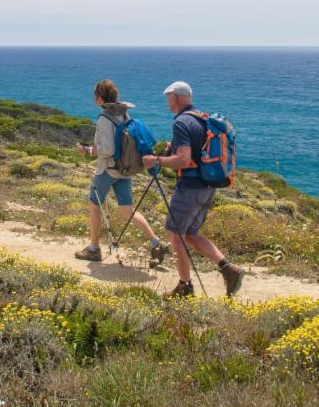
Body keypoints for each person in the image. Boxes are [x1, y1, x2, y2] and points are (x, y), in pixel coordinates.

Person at [142, 80, 245, 298]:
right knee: (190, 234)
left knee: (176, 235)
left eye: (168, 97)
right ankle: (228, 268)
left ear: (175, 98)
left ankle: (185, 286)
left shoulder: (181, 122)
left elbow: (183, 159)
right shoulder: (201, 118)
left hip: (190, 187)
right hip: (208, 186)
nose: (167, 101)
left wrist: (156, 160)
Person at [74, 79, 167, 264]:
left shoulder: (104, 118)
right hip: (125, 169)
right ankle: (155, 242)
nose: (94, 98)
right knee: (127, 211)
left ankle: (93, 249)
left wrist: (88, 151)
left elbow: (108, 150)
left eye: (95, 95)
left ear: (100, 98)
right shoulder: (124, 114)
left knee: (95, 205)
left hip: (108, 170)